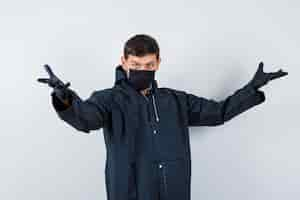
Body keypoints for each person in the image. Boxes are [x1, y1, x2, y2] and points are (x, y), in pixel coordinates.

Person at [37, 34, 288, 200]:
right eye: (135, 65)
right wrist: (65, 97)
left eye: (148, 65)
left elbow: (218, 113)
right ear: (123, 61)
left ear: (158, 63)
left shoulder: (175, 100)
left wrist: (251, 88)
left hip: (173, 191)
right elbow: (86, 119)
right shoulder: (108, 99)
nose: (142, 70)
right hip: (130, 192)